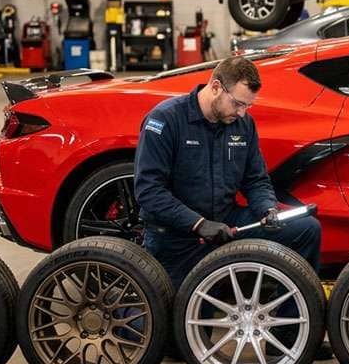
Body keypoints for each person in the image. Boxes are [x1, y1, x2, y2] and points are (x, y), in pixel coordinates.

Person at [134, 55, 322, 292]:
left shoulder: (243, 125)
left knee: (306, 229)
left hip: (226, 223)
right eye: (238, 104)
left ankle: (288, 326)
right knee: (180, 322)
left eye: (248, 106)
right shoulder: (166, 120)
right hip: (177, 236)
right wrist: (198, 224)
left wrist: (268, 209)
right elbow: (149, 191)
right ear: (215, 87)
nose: (242, 113)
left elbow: (255, 179)